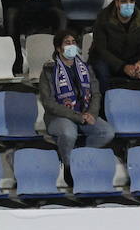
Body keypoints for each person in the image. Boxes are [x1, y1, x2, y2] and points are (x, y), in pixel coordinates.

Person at [40, 28, 116, 165]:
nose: (71, 45)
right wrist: (78, 117)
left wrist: (91, 113)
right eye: (66, 43)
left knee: (107, 132)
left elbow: (96, 94)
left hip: (86, 114)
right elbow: (48, 102)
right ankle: (68, 166)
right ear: (58, 48)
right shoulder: (49, 70)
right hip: (59, 117)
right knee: (69, 133)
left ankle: (81, 158)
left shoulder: (86, 68)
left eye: (73, 42)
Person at [88, 0, 140, 116]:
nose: (128, 5)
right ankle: (104, 114)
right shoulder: (103, 18)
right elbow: (101, 49)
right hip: (107, 60)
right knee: (100, 70)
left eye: (131, 1)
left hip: (132, 59)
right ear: (117, 2)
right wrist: (123, 67)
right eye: (124, 1)